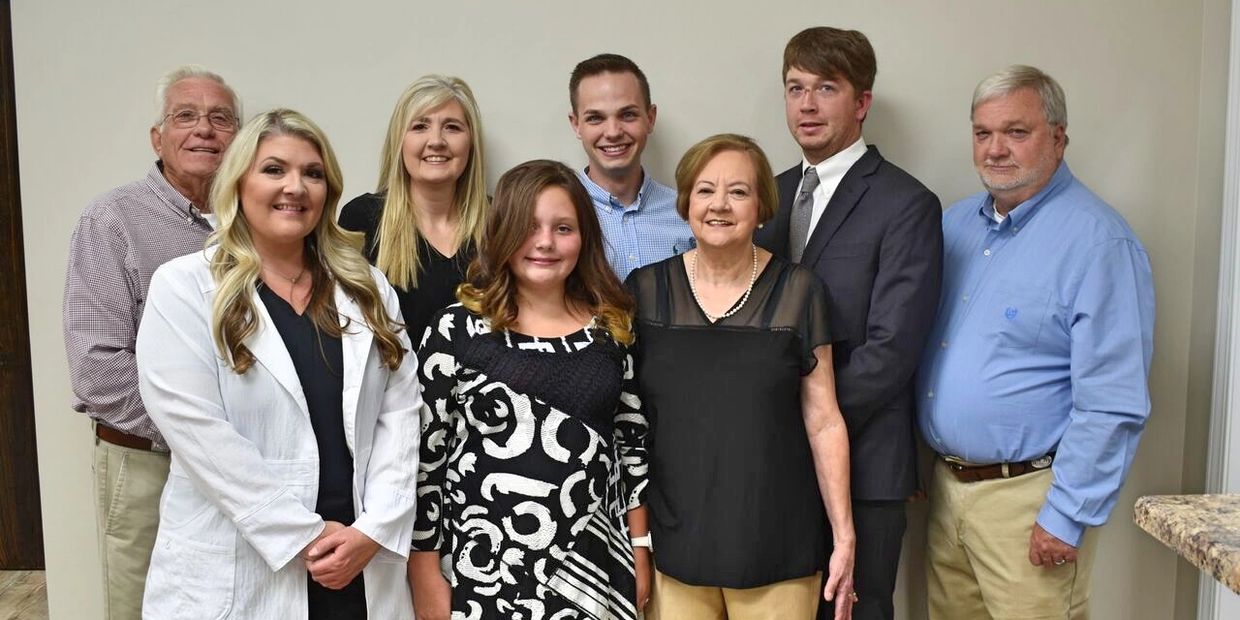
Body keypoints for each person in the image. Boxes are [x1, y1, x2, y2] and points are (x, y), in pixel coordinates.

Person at [135, 109, 422, 619]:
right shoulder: (184, 288)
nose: (296, 187)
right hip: (246, 561)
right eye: (274, 170)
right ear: (239, 181)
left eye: (313, 174)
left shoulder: (367, 287)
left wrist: (375, 529)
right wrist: (305, 535)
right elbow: (199, 432)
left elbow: (399, 416)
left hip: (358, 558)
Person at [917, 65, 1155, 619]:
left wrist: (1066, 514)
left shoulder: (1100, 243)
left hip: (1030, 501)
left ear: (1058, 137)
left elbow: (1112, 400)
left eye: (1016, 132)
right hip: (947, 489)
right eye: (983, 133)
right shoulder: (954, 228)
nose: (996, 149)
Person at [753, 27, 942, 620]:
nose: (806, 105)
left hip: (865, 467)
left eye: (826, 88)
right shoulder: (764, 197)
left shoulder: (906, 204)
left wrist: (801, 425)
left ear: (861, 102)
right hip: (771, 468)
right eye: (795, 88)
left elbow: (892, 352)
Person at [407, 160, 649, 620]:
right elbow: (426, 462)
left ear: (584, 239)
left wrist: (639, 549)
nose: (544, 242)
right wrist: (423, 568)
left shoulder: (612, 328)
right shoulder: (454, 329)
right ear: (503, 234)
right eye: (529, 227)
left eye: (563, 228)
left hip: (592, 568)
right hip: (482, 570)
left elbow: (631, 447)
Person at [630, 134, 855, 620]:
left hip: (777, 544)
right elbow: (629, 426)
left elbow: (824, 421)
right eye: (705, 190)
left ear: (761, 207)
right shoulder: (645, 291)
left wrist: (844, 536)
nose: (719, 205)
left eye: (738, 191)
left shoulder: (800, 291)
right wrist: (637, 538)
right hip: (674, 545)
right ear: (686, 202)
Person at [61, 64, 241, 620]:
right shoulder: (112, 220)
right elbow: (98, 371)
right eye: (185, 116)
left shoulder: (259, 220)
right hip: (149, 464)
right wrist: (206, 433)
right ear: (157, 137)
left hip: (251, 460)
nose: (204, 130)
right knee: (143, 607)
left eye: (221, 119)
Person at [339, 75, 488, 348]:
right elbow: (346, 335)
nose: (436, 141)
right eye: (420, 126)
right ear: (399, 141)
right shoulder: (362, 219)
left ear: (471, 142)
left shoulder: (500, 219)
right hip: (395, 388)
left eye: (452, 127)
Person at [567, 53, 694, 281]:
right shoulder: (557, 216)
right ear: (576, 125)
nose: (613, 132)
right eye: (596, 118)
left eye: (627, 115)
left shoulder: (690, 215)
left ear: (650, 118)